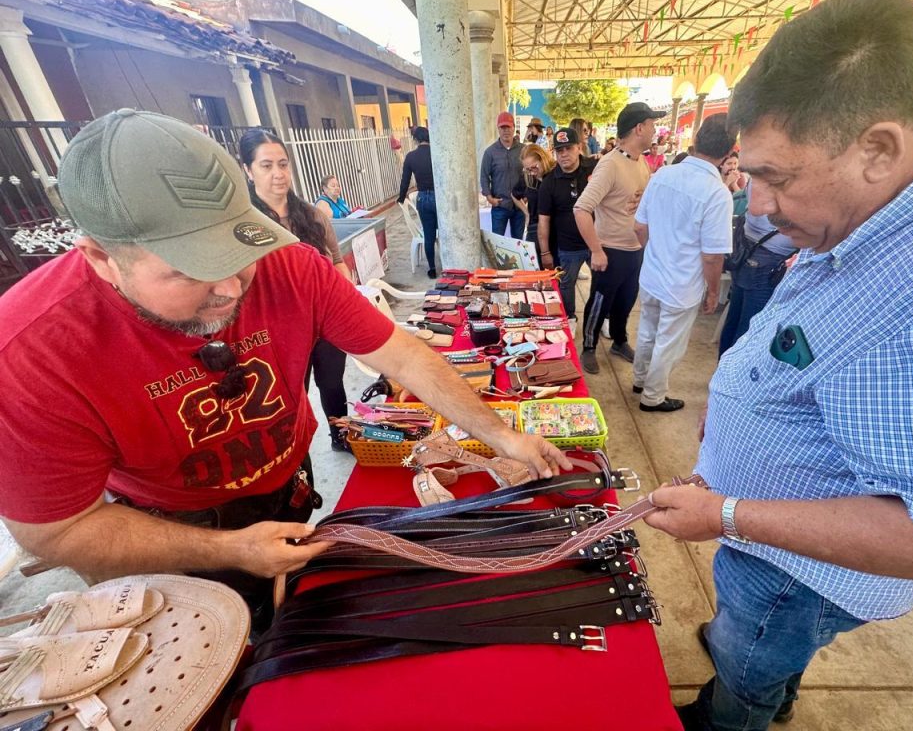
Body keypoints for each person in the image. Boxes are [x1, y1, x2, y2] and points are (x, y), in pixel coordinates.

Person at [0, 110, 571, 631]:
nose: (228, 288)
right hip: (162, 533)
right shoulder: (31, 351)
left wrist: (498, 435)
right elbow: (60, 530)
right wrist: (231, 550)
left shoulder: (288, 264)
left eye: (234, 252)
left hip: (288, 484)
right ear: (102, 257)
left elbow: (399, 354)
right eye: (190, 271)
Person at [639, 0, 913, 731]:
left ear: (877, 148)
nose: (756, 205)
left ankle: (738, 710)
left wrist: (728, 511)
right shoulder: (891, 208)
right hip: (779, 557)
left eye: (777, 177)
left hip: (796, 577)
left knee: (745, 669)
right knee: (758, 653)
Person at [241, 130, 354, 455]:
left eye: (283, 164)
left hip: (324, 324)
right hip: (277, 332)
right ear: (248, 170)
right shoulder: (242, 225)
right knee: (291, 396)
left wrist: (346, 304)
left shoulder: (313, 216)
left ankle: (340, 435)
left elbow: (336, 264)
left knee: (332, 384)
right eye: (266, 166)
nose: (278, 174)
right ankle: (292, 456)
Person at [632, 114, 735, 413]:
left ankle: (640, 380)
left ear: (696, 141)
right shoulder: (717, 193)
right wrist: (714, 292)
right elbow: (713, 255)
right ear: (728, 152)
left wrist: (655, 253)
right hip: (682, 283)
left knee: (648, 330)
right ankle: (652, 396)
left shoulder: (662, 175)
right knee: (668, 342)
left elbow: (640, 227)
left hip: (652, 273)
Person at [574, 101, 664, 374]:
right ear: (639, 128)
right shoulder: (610, 164)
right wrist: (597, 250)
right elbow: (581, 208)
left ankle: (619, 340)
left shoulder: (641, 163)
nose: (654, 130)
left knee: (626, 300)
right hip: (610, 250)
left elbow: (639, 198)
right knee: (600, 301)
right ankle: (589, 347)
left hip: (634, 249)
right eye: (651, 125)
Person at [717, 187, 798, 357]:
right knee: (749, 327)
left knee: (736, 319)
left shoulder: (761, 174)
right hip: (768, 258)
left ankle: (722, 370)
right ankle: (730, 377)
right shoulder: (788, 181)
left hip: (748, 250)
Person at [537, 127, 597, 332]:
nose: (563, 154)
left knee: (603, 283)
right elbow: (543, 220)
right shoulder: (549, 182)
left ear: (579, 147)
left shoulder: (595, 168)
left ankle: (602, 317)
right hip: (568, 245)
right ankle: (570, 317)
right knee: (566, 285)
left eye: (568, 148)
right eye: (559, 150)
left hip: (596, 242)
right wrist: (545, 251)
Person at [397, 126, 438, 278]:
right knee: (445, 232)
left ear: (416, 139)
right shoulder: (437, 153)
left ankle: (432, 268)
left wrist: (401, 198)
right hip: (439, 198)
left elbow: (405, 181)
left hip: (422, 198)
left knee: (429, 234)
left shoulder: (411, 157)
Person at [480, 111, 526, 238]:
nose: (506, 131)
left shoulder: (523, 150)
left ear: (513, 128)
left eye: (508, 127)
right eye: (502, 127)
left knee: (518, 243)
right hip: (500, 205)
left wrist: (527, 195)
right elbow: (484, 176)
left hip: (519, 206)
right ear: (498, 129)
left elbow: (529, 173)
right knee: (498, 244)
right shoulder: (490, 152)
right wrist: (489, 197)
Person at [515, 143, 555, 253]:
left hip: (555, 228)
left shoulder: (555, 173)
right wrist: (526, 213)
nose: (532, 172)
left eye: (534, 167)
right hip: (534, 227)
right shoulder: (528, 177)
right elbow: (514, 195)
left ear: (542, 159)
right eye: (527, 169)